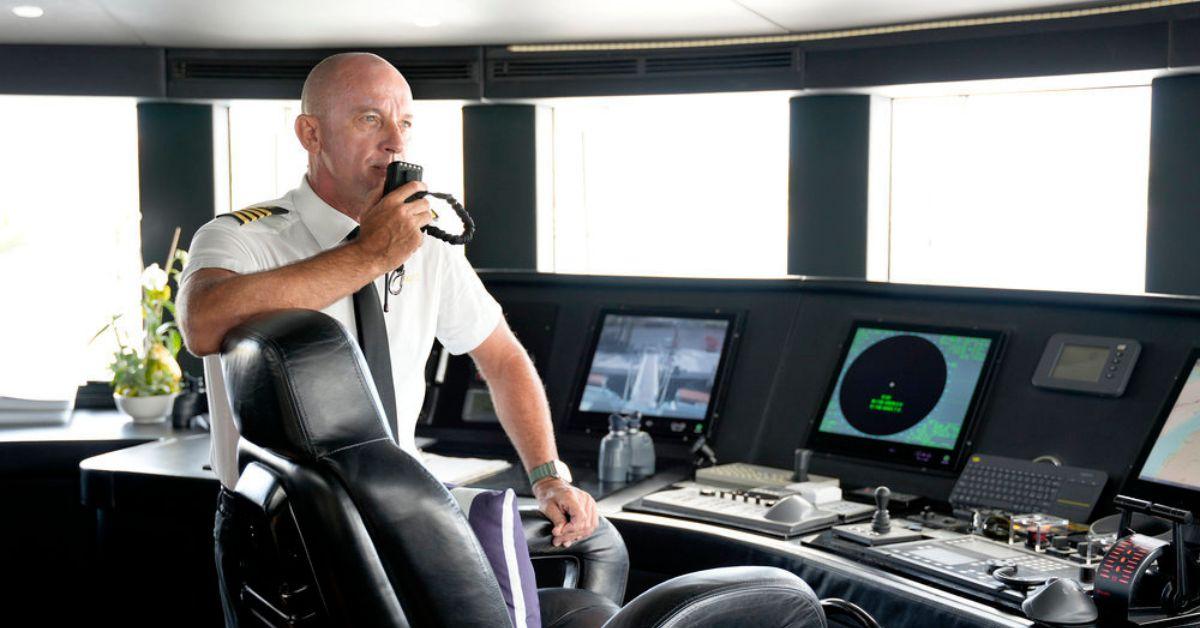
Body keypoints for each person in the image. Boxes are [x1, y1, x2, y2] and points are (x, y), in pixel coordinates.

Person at [178, 52, 598, 625]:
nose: (394, 142)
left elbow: (500, 357)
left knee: (599, 549)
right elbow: (202, 323)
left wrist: (548, 475)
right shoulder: (241, 237)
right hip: (283, 527)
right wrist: (366, 255)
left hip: (396, 514)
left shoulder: (427, 246)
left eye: (404, 123)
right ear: (311, 133)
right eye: (369, 119)